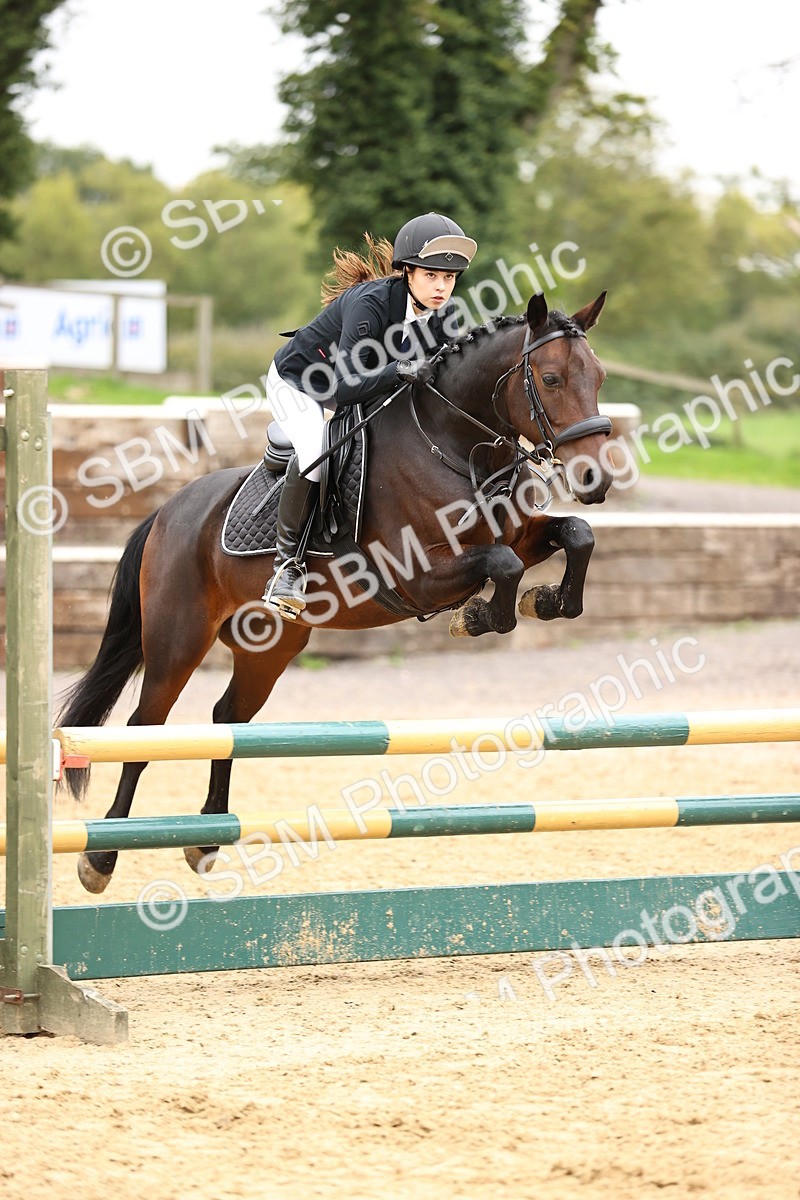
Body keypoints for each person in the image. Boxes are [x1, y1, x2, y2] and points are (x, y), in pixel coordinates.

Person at [262, 211, 478, 619]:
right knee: (315, 456)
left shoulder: (446, 317)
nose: (441, 287)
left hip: (363, 385)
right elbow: (344, 387)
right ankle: (286, 568)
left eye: (448, 279)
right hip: (301, 383)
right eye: (432, 275)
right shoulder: (371, 305)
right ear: (408, 272)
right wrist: (398, 369)